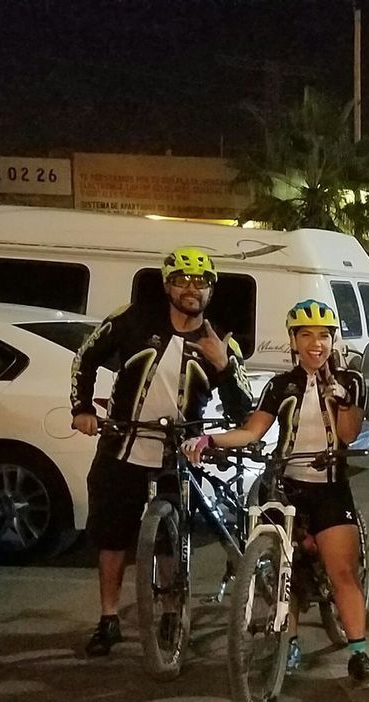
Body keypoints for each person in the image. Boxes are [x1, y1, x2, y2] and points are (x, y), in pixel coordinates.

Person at [70, 246, 252, 657]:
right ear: (167, 285)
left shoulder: (221, 341)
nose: (191, 289)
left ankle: (171, 613)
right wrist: (82, 409)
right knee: (112, 538)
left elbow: (245, 411)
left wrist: (223, 364)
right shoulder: (132, 320)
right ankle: (108, 618)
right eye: (182, 280)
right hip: (122, 445)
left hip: (178, 454)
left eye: (201, 282)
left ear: (211, 291)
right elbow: (85, 358)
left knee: (172, 539)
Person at [182, 300, 369, 680]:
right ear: (293, 340)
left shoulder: (350, 381)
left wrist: (342, 401)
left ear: (333, 340)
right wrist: (211, 439)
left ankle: (358, 652)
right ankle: (290, 639)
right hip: (285, 485)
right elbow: (252, 432)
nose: (316, 344)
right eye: (306, 335)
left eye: (324, 336)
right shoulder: (280, 385)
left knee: (342, 572)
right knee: (284, 568)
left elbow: (349, 434)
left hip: (330, 487)